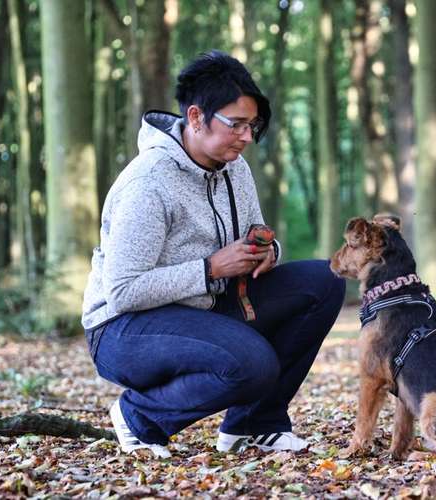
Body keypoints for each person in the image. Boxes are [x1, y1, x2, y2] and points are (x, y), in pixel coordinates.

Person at [81, 50, 346, 458]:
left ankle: (254, 425)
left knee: (324, 281)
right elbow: (122, 291)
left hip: (204, 306)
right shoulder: (148, 184)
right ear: (195, 117)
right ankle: (141, 416)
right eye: (235, 124)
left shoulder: (234, 167)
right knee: (252, 364)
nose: (246, 136)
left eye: (251, 125)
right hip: (122, 329)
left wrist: (266, 251)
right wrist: (209, 269)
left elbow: (254, 232)